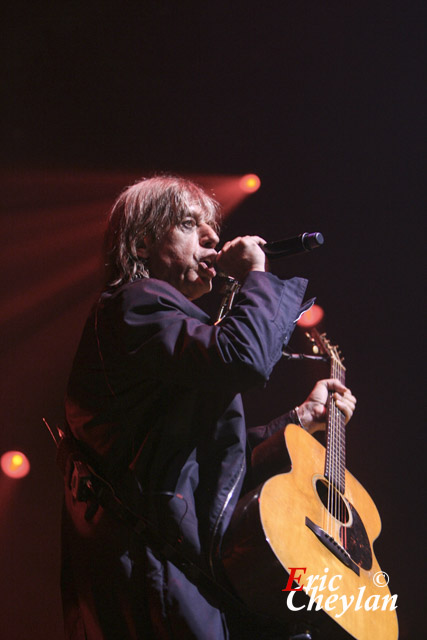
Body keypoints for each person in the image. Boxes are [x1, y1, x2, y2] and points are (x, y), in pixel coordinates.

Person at [60, 175, 356, 640]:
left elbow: (211, 453)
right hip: (153, 570)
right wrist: (257, 276)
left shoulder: (159, 326)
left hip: (175, 564)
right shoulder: (133, 305)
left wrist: (302, 419)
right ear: (141, 244)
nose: (213, 237)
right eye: (188, 223)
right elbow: (243, 357)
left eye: (211, 227)